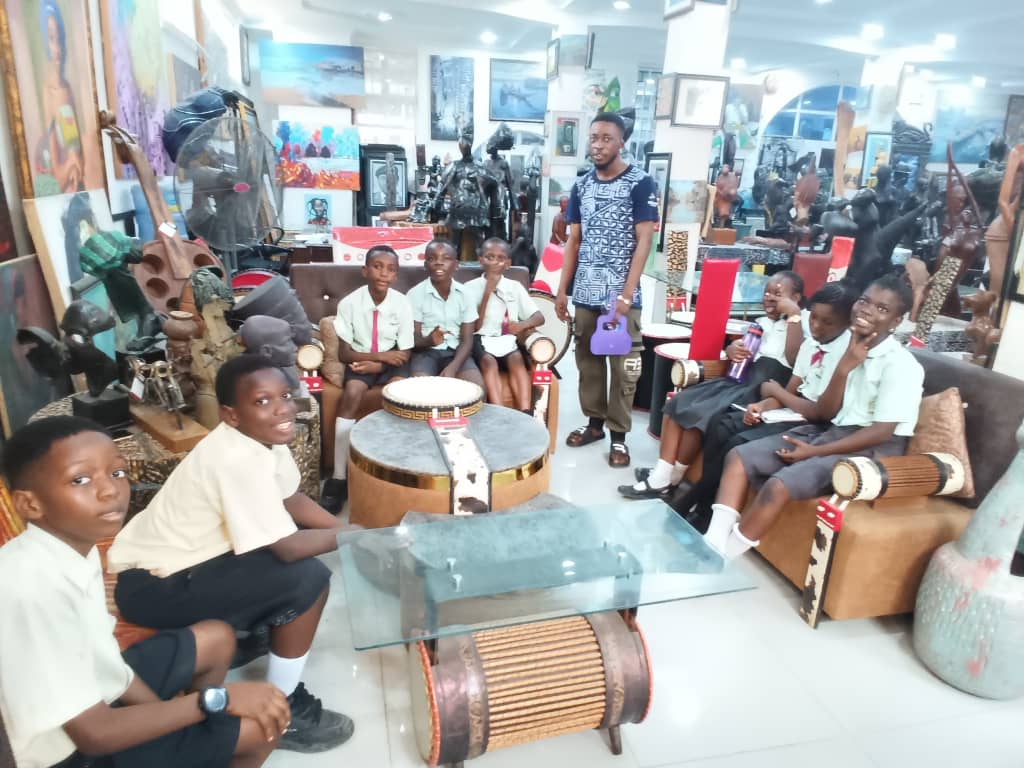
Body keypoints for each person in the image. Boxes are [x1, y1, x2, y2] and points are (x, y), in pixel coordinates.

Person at [0, 416, 290, 768]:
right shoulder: (32, 591)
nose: (110, 490)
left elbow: (108, 663)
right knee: (262, 729)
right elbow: (94, 735)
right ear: (30, 504)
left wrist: (172, 719)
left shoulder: (71, 546)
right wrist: (212, 702)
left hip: (97, 694)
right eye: (80, 480)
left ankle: (195, 748)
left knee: (216, 637)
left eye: (117, 472)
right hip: (69, 752)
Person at [107, 357, 354, 753]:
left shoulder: (261, 438)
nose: (282, 409)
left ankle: (253, 631)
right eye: (262, 401)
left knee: (286, 569)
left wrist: (349, 532)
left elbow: (289, 498)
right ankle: (284, 708)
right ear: (231, 415)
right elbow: (287, 547)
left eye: (285, 396)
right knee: (308, 579)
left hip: (184, 564)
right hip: (154, 586)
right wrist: (354, 537)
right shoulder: (236, 458)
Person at [706, 274, 923, 559]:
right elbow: (828, 411)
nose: (868, 310)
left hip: (872, 447)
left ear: (896, 321)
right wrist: (844, 368)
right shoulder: (851, 350)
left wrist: (815, 451)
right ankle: (712, 544)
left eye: (882, 309)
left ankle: (722, 558)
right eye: (865, 301)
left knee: (778, 485)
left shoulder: (900, 365)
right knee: (738, 456)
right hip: (831, 429)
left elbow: (881, 432)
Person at [670, 281, 858, 521]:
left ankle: (693, 504)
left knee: (736, 441)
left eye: (827, 322)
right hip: (791, 410)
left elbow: (817, 411)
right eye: (813, 318)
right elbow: (790, 391)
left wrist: (776, 393)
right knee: (720, 424)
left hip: (813, 422)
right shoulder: (812, 344)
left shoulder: (846, 355)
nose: (817, 326)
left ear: (847, 323)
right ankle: (704, 507)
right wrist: (761, 407)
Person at [621, 271, 806, 499]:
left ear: (795, 298)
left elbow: (795, 358)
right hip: (740, 379)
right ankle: (664, 473)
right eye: (766, 293)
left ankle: (669, 479)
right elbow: (741, 350)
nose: (769, 298)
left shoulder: (804, 324)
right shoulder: (761, 323)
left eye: (777, 294)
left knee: (700, 414)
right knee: (679, 402)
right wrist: (731, 349)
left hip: (764, 388)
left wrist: (794, 315)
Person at [555, 112, 659, 467]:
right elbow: (573, 241)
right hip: (586, 291)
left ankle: (619, 437)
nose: (598, 145)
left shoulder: (640, 183)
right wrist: (562, 290)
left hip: (620, 296)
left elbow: (644, 241)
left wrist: (626, 295)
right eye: (593, 138)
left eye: (606, 139)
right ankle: (594, 424)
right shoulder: (582, 185)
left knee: (624, 367)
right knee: (588, 363)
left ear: (621, 143)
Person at [321, 245, 414, 511]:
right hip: (362, 361)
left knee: (398, 397)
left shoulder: (402, 303)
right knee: (351, 393)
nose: (384, 273)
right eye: (377, 266)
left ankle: (393, 469)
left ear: (396, 275)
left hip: (392, 364)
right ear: (365, 270)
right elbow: (344, 353)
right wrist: (378, 359)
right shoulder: (349, 304)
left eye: (391, 269)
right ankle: (339, 476)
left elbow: (404, 352)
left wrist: (382, 363)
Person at [465, 238, 544, 411]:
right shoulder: (469, 288)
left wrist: (522, 325)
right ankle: (499, 412)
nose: (495, 262)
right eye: (489, 257)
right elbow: (475, 327)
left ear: (508, 264)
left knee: (517, 360)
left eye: (500, 258)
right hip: (481, 339)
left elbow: (539, 317)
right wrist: (487, 293)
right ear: (481, 260)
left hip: (506, 339)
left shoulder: (514, 287)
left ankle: (526, 413)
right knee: (489, 363)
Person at [407, 239, 483, 387]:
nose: (439, 263)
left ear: (456, 265)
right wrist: (429, 341)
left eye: (446, 258)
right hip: (426, 353)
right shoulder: (414, 294)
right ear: (425, 265)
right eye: (432, 258)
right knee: (419, 391)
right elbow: (412, 339)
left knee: (477, 389)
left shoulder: (466, 294)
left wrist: (453, 367)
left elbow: (467, 340)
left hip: (457, 352)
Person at [40, 0, 85, 193]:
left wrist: (76, 160)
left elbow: (79, 152)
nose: (57, 48)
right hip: (62, 188)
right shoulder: (47, 93)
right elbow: (55, 175)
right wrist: (71, 163)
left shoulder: (67, 88)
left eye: (59, 39)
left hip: (79, 182)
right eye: (51, 39)